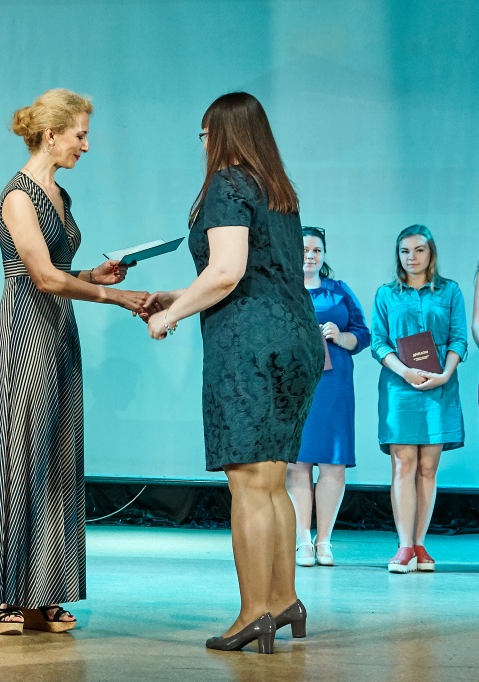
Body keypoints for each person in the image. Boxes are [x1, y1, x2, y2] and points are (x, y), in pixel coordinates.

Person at [145, 92, 323, 654]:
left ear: (219, 134)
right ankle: (284, 599)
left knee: (247, 481)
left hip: (250, 346)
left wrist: (171, 315)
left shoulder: (227, 184)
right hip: (295, 339)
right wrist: (180, 294)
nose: (202, 146)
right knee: (271, 480)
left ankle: (254, 612)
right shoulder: (276, 189)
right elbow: (255, 275)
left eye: (204, 135)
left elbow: (226, 272)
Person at [0, 89, 151, 636]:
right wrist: (115, 297)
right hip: (25, 330)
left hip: (57, 331)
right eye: (79, 135)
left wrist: (95, 277)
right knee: (23, 454)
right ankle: (9, 594)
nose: (86, 146)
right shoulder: (18, 195)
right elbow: (43, 277)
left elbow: (62, 270)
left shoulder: (59, 194)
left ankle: (45, 591)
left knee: (56, 456)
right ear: (50, 135)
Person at [371, 224, 467, 574]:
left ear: (431, 253)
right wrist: (405, 372)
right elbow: (378, 342)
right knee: (403, 464)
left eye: (419, 250)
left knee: (428, 467)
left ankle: (420, 542)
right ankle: (404, 546)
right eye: (405, 251)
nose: (411, 257)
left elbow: (459, 339)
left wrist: (445, 374)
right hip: (400, 387)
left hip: (440, 386)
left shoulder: (450, 290)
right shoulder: (386, 294)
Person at [286, 227, 370, 568]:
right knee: (297, 464)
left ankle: (324, 541)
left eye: (316, 250)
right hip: (294, 383)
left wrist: (341, 335)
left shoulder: (339, 291)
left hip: (334, 384)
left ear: (323, 254)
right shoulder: (283, 289)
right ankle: (302, 541)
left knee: (333, 464)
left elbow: (362, 334)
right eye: (304, 249)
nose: (310, 255)